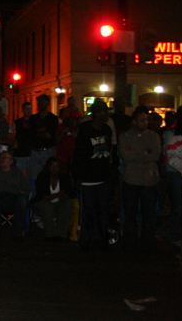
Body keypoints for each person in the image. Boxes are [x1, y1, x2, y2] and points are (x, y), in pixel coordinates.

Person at [72, 99, 113, 251]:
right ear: (97, 114)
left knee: (102, 210)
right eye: (104, 111)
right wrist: (78, 177)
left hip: (103, 177)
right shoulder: (85, 129)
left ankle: (101, 239)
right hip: (88, 178)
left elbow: (109, 151)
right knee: (87, 211)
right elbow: (79, 154)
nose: (107, 114)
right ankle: (85, 239)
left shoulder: (107, 129)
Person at [120, 108, 162, 251]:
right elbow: (126, 155)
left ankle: (147, 242)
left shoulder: (154, 136)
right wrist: (145, 152)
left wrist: (136, 153)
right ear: (134, 122)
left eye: (146, 120)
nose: (145, 123)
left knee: (148, 214)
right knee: (130, 214)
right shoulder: (125, 136)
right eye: (142, 120)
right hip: (131, 179)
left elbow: (155, 154)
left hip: (148, 180)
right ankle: (130, 242)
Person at [0, 151, 34, 241]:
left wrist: (24, 192)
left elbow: (28, 187)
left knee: (22, 199)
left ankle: (18, 232)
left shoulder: (17, 172)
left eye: (5, 158)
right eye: (0, 158)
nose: (2, 160)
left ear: (11, 161)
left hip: (13, 197)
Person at [31, 156, 75, 242]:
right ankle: (49, 234)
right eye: (52, 166)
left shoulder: (64, 177)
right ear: (48, 167)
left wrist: (64, 196)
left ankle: (61, 234)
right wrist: (55, 195)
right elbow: (41, 194)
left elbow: (70, 192)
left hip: (59, 201)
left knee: (68, 204)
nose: (54, 169)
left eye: (57, 166)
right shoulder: (42, 176)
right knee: (47, 206)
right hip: (44, 201)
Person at [164, 106, 182, 246]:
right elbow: (172, 159)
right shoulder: (173, 137)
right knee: (178, 206)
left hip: (179, 172)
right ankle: (177, 235)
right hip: (177, 175)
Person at [28, 94, 59, 181]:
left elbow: (49, 135)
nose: (40, 104)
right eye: (39, 102)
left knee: (48, 175)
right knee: (34, 177)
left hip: (48, 151)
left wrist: (37, 131)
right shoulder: (34, 118)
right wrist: (41, 130)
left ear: (47, 103)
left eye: (42, 101)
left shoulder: (52, 118)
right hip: (35, 151)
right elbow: (31, 133)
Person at [12, 102, 34, 176]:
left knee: (32, 174)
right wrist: (13, 142)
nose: (29, 111)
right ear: (23, 110)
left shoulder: (35, 121)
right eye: (27, 109)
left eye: (30, 109)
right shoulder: (17, 122)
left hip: (32, 153)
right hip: (20, 153)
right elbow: (10, 134)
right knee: (19, 174)